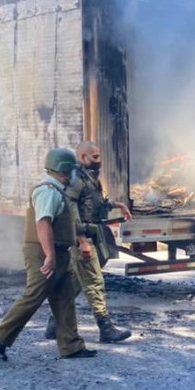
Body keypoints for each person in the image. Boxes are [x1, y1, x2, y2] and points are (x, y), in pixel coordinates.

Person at [0, 148, 97, 361]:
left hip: (58, 251)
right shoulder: (47, 191)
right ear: (64, 170)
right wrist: (49, 256)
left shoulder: (58, 190)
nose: (75, 174)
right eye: (72, 170)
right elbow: (43, 223)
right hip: (43, 251)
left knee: (65, 298)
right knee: (34, 296)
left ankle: (71, 346)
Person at [45, 141, 133, 344]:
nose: (99, 160)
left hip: (92, 234)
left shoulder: (89, 178)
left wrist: (116, 204)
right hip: (83, 238)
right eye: (94, 157)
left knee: (75, 282)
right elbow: (71, 209)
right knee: (94, 282)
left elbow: (92, 203)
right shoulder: (76, 180)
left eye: (99, 156)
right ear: (82, 158)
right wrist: (82, 239)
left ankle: (54, 323)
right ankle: (106, 328)